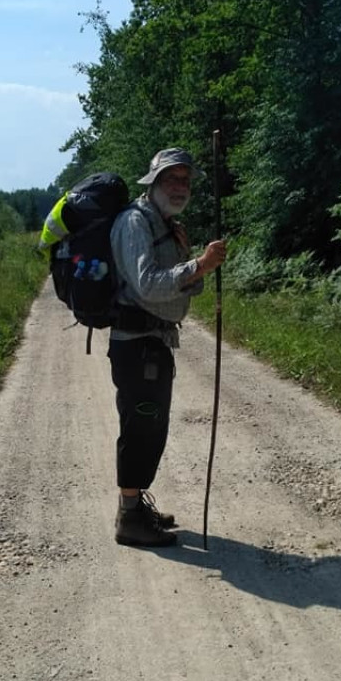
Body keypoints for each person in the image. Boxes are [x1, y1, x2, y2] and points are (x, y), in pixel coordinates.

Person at [109, 148, 227, 547]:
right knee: (140, 428)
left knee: (152, 428)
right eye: (171, 179)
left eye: (186, 181)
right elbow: (148, 284)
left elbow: (181, 285)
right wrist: (198, 266)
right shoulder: (134, 223)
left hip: (155, 341)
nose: (180, 187)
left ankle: (136, 507)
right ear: (154, 182)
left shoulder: (164, 223)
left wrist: (196, 266)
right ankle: (129, 519)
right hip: (136, 342)